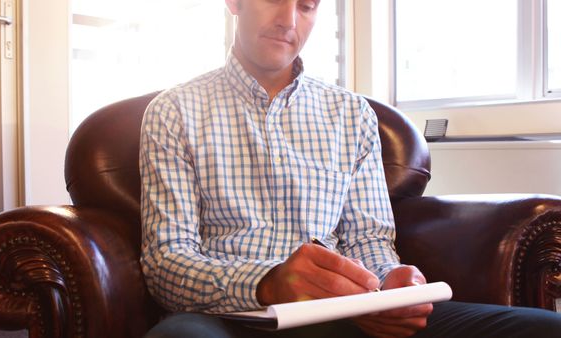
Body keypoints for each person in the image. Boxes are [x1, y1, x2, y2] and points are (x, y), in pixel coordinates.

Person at [139, 0, 561, 337]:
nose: (289, 19)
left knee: (543, 328)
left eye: (307, 5)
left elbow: (368, 240)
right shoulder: (174, 112)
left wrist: (389, 285)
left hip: (343, 315)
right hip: (226, 318)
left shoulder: (351, 114)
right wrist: (266, 283)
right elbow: (166, 262)